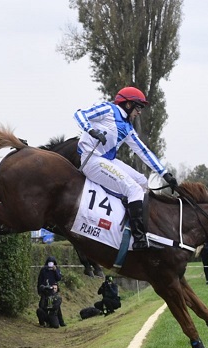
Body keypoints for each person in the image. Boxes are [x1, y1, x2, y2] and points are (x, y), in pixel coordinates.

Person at [74, 86, 178, 250]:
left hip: (108, 160)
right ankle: (139, 239)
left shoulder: (128, 128)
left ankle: (131, 219)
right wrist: (91, 131)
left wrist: (165, 175)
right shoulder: (108, 109)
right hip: (91, 160)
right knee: (134, 190)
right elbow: (79, 114)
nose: (140, 112)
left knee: (142, 181)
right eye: (139, 107)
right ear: (128, 104)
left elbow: (143, 151)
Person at [36, 256, 66, 328]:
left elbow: (59, 278)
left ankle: (61, 322)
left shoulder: (56, 269)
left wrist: (55, 270)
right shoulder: (43, 270)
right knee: (43, 305)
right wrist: (40, 290)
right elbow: (39, 280)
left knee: (56, 306)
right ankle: (43, 321)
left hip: (53, 291)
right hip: (45, 291)